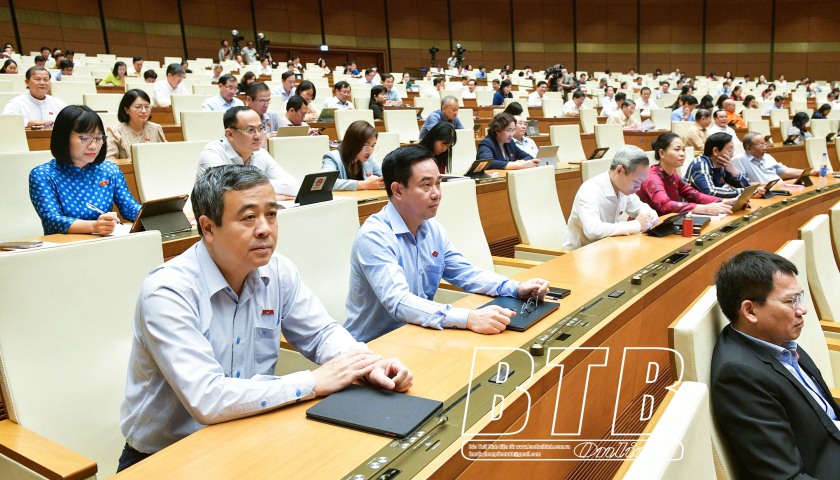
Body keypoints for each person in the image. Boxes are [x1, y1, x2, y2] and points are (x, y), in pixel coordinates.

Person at [117, 163, 412, 471]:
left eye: (271, 214)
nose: (265, 229)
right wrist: (313, 382)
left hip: (253, 433)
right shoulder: (169, 292)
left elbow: (321, 333)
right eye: (248, 217)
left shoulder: (278, 270)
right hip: (167, 458)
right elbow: (208, 398)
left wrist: (368, 365)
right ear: (208, 228)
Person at [342, 145, 549, 342]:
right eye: (426, 185)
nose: (437, 194)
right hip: (373, 347)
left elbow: (465, 273)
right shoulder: (375, 236)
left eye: (438, 183)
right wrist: (469, 318)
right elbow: (399, 302)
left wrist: (516, 288)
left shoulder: (433, 229)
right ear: (397, 190)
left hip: (418, 334)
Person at [710, 250, 840, 480]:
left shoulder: (776, 338)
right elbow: (785, 477)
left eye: (800, 298)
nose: (802, 309)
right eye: (790, 301)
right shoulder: (740, 376)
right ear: (750, 311)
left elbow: (824, 413)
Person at [29, 105, 140, 235]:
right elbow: (51, 220)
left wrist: (152, 213)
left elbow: (129, 208)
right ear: (63, 138)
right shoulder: (43, 175)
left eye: (98, 138)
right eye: (85, 138)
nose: (93, 146)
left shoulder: (109, 170)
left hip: (104, 240)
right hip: (64, 244)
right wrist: (94, 226)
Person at [563, 145, 658, 250]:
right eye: (636, 181)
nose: (638, 187)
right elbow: (593, 230)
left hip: (608, 248)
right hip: (579, 253)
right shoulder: (589, 189)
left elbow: (640, 208)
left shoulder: (623, 188)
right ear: (619, 171)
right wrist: (636, 225)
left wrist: (651, 217)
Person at [197, 106, 299, 198]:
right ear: (230, 134)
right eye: (250, 130)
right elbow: (222, 194)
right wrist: (270, 195)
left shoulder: (261, 154)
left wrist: (256, 187)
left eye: (260, 128)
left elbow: (293, 186)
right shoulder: (213, 153)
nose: (258, 136)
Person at [638, 133, 734, 216]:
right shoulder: (652, 176)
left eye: (683, 149)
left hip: (668, 222)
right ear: (662, 153)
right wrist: (703, 209)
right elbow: (665, 205)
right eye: (677, 149)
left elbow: (695, 195)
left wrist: (722, 201)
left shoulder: (674, 176)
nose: (682, 154)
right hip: (647, 227)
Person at [686, 132, 756, 198]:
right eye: (729, 150)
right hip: (692, 205)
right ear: (715, 151)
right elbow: (710, 192)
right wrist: (743, 191)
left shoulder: (723, 165)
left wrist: (735, 171)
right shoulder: (700, 164)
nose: (732, 155)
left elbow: (748, 187)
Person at [105, 89, 167, 162]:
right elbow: (109, 161)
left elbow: (166, 154)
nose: (144, 111)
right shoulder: (115, 131)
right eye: (138, 107)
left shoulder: (155, 128)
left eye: (147, 107)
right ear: (126, 110)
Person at [321, 120, 384, 191]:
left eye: (372, 146)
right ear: (353, 143)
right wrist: (364, 184)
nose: (369, 151)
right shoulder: (333, 157)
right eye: (366, 146)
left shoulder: (368, 159)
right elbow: (325, 182)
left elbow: (386, 174)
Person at [734, 132, 819, 184]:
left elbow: (785, 171)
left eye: (765, 144)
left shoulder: (767, 156)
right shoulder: (740, 159)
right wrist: (766, 185)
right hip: (764, 191)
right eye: (760, 145)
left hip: (779, 187)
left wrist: (811, 172)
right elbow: (741, 183)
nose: (764, 148)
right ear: (749, 148)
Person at [3, 66, 67, 127]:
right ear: (27, 82)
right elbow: (6, 121)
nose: (42, 83)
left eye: (45, 80)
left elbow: (71, 119)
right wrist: (38, 123)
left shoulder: (57, 102)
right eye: (37, 79)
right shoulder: (16, 103)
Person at [244, 82, 281, 149]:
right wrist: (261, 145)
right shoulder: (240, 119)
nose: (266, 105)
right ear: (249, 100)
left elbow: (285, 135)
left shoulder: (272, 115)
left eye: (268, 101)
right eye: (262, 101)